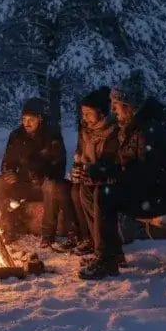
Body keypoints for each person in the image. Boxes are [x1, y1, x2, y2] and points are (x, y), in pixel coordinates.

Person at [79, 71, 166, 280]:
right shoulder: (131, 127)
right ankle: (110, 253)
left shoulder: (149, 130)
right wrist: (99, 171)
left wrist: (106, 174)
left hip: (160, 196)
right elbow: (127, 165)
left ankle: (107, 259)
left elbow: (145, 173)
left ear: (127, 106)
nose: (113, 111)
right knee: (94, 190)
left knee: (105, 194)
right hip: (147, 191)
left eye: (116, 106)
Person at [0, 97, 76, 247]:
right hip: (23, 184)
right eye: (24, 119)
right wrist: (8, 172)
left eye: (31, 119)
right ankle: (8, 227)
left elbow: (59, 167)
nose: (26, 123)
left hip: (44, 184)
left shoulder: (52, 136)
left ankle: (47, 234)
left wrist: (41, 174)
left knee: (50, 186)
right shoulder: (16, 136)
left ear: (40, 119)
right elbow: (7, 162)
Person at [65, 87, 118, 255]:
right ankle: (88, 237)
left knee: (89, 193)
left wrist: (94, 171)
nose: (84, 117)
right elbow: (79, 156)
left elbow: (112, 161)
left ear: (101, 112)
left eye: (88, 113)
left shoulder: (113, 131)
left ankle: (100, 242)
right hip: (90, 175)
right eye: (83, 113)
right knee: (73, 190)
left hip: (107, 178)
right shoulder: (85, 131)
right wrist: (77, 170)